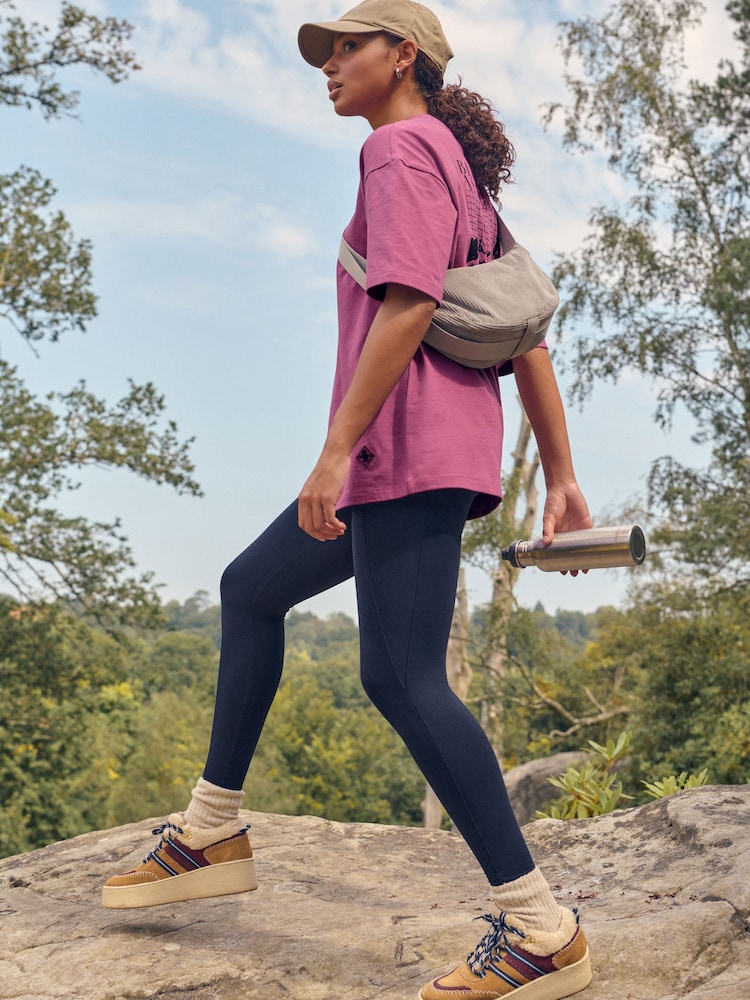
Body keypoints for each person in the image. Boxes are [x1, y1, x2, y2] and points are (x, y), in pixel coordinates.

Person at [102, 3, 594, 998]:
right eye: (324, 53)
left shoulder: (399, 151)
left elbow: (411, 304)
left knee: (402, 678)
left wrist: (333, 452)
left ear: (403, 56)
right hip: (419, 451)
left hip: (402, 449)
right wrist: (563, 475)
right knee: (250, 588)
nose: (327, 65)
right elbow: (528, 333)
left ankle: (543, 929)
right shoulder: (454, 166)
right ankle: (210, 829)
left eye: (347, 47)